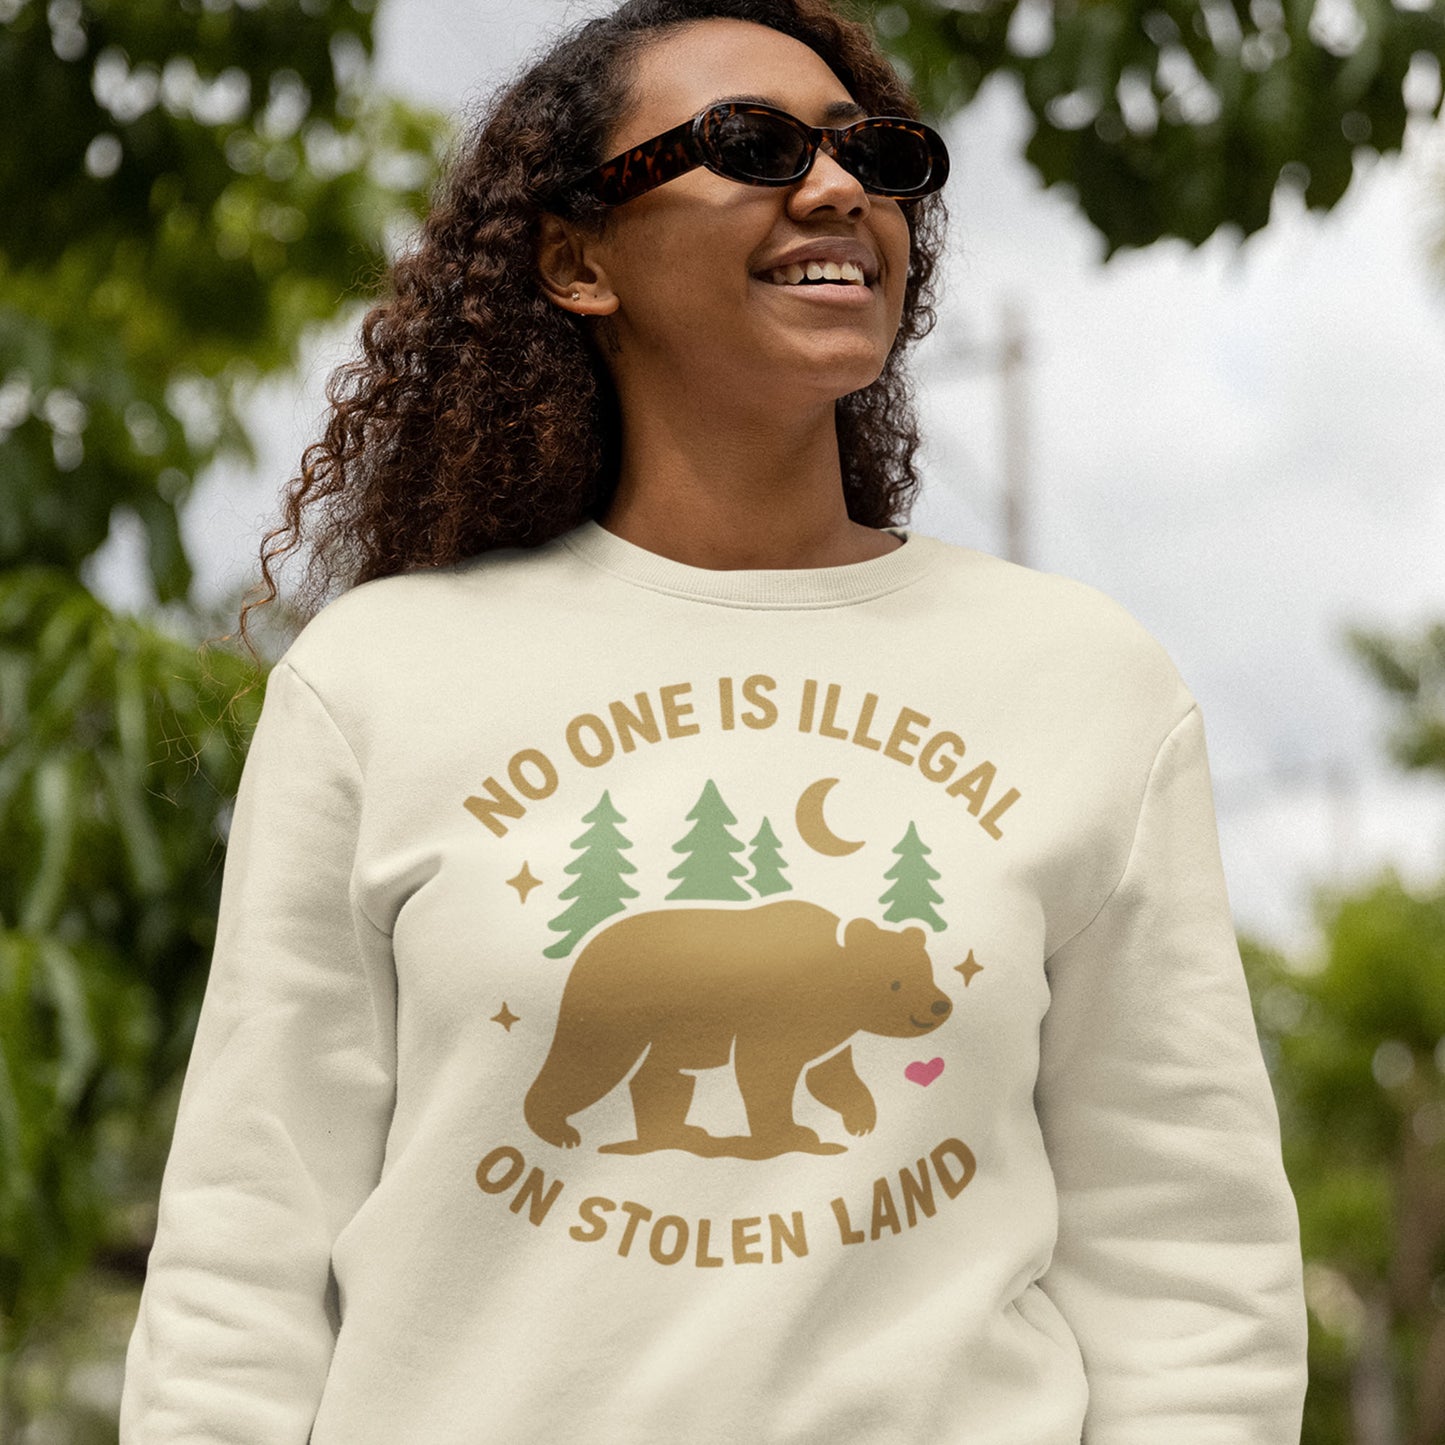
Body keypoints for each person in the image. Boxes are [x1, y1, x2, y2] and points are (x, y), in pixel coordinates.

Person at [119, 0, 1310, 1439]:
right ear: (576, 260)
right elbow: (246, 1254)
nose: (835, 188)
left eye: (869, 153)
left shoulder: (1082, 679)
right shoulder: (380, 680)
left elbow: (1189, 1267)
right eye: (750, 145)